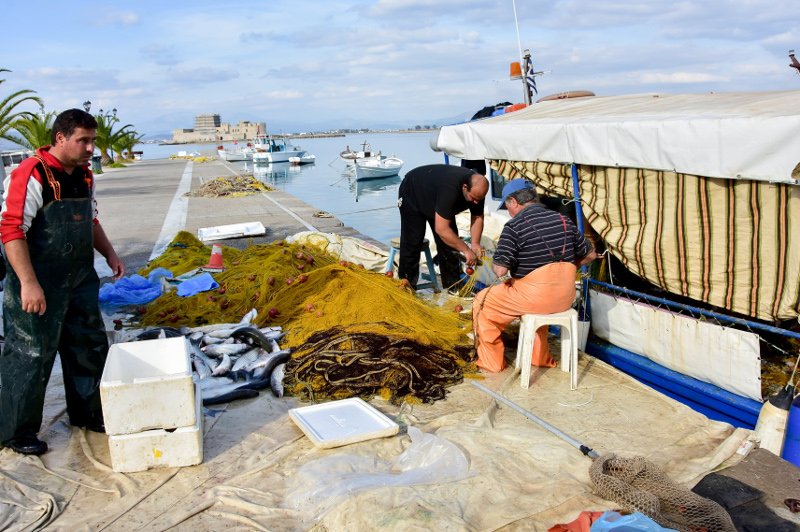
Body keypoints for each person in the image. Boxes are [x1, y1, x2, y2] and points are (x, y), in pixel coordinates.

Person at [0, 109, 125, 455]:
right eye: (83, 140)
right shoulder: (31, 174)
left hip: (80, 278)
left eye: (93, 141)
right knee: (31, 353)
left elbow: (92, 221)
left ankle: (87, 413)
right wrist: (28, 283)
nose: (90, 149)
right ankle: (17, 431)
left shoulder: (84, 176)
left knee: (88, 345)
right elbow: (12, 231)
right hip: (39, 280)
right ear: (60, 138)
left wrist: (110, 255)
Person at [472, 179, 597, 373]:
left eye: (507, 205)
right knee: (539, 308)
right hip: (564, 298)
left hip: (533, 297)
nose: (508, 211)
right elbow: (590, 255)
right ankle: (539, 358)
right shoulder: (564, 221)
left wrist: (500, 258)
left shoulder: (514, 227)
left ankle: (491, 362)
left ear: (513, 201)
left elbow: (500, 271)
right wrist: (569, 267)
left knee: (482, 302)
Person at [397, 164, 488, 291]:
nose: (476, 203)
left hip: (436, 196)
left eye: (479, 200)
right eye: (473, 199)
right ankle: (407, 282)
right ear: (465, 187)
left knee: (451, 242)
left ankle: (453, 285)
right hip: (413, 191)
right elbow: (442, 229)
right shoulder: (450, 189)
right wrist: (467, 251)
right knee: (413, 239)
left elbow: (477, 217)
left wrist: (475, 244)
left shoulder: (478, 191)